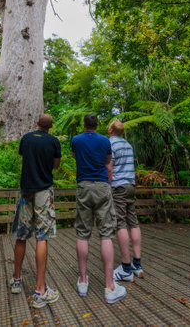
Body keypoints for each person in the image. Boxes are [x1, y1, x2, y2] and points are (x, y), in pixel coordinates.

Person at [71, 114, 126, 304]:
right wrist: (108, 185)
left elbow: (76, 158)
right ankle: (110, 286)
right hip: (102, 186)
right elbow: (107, 164)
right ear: (97, 125)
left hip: (84, 186)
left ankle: (83, 281)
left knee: (82, 233)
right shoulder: (105, 141)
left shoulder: (76, 140)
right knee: (106, 234)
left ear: (84, 124)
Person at [10, 114, 61, 309]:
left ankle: (16, 279)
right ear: (51, 126)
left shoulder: (26, 138)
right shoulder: (54, 141)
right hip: (43, 192)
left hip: (26, 191)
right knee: (42, 237)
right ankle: (40, 291)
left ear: (37, 124)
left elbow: (25, 157)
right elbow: (55, 165)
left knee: (21, 236)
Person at [107, 119, 143, 282]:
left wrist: (108, 186)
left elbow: (109, 167)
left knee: (120, 224)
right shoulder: (128, 145)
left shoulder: (110, 144)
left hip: (118, 187)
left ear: (110, 130)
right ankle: (137, 263)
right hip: (130, 185)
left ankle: (126, 268)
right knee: (133, 222)